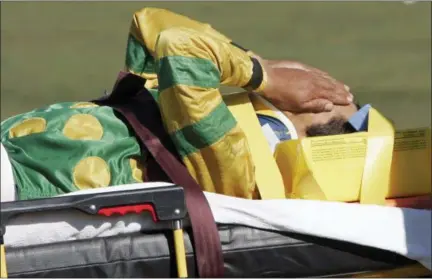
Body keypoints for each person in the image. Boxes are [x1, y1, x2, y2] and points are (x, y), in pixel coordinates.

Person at [0, 8, 360, 202]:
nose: (315, 74)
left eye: (328, 89)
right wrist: (257, 68)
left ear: (316, 107)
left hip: (23, 179)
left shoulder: (233, 151)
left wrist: (267, 77)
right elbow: (149, 23)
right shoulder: (210, 102)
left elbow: (179, 45)